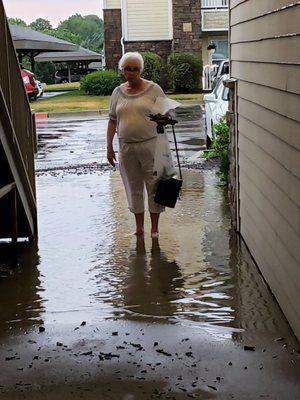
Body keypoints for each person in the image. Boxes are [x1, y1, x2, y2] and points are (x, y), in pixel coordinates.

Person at [106, 52, 167, 238]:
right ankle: (139, 227)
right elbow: (112, 121)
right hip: (126, 147)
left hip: (150, 145)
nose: (131, 72)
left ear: (140, 70)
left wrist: (163, 119)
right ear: (122, 70)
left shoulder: (154, 89)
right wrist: (109, 147)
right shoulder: (117, 92)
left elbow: (166, 114)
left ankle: (154, 228)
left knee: (154, 186)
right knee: (133, 187)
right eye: (127, 69)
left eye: (135, 69)